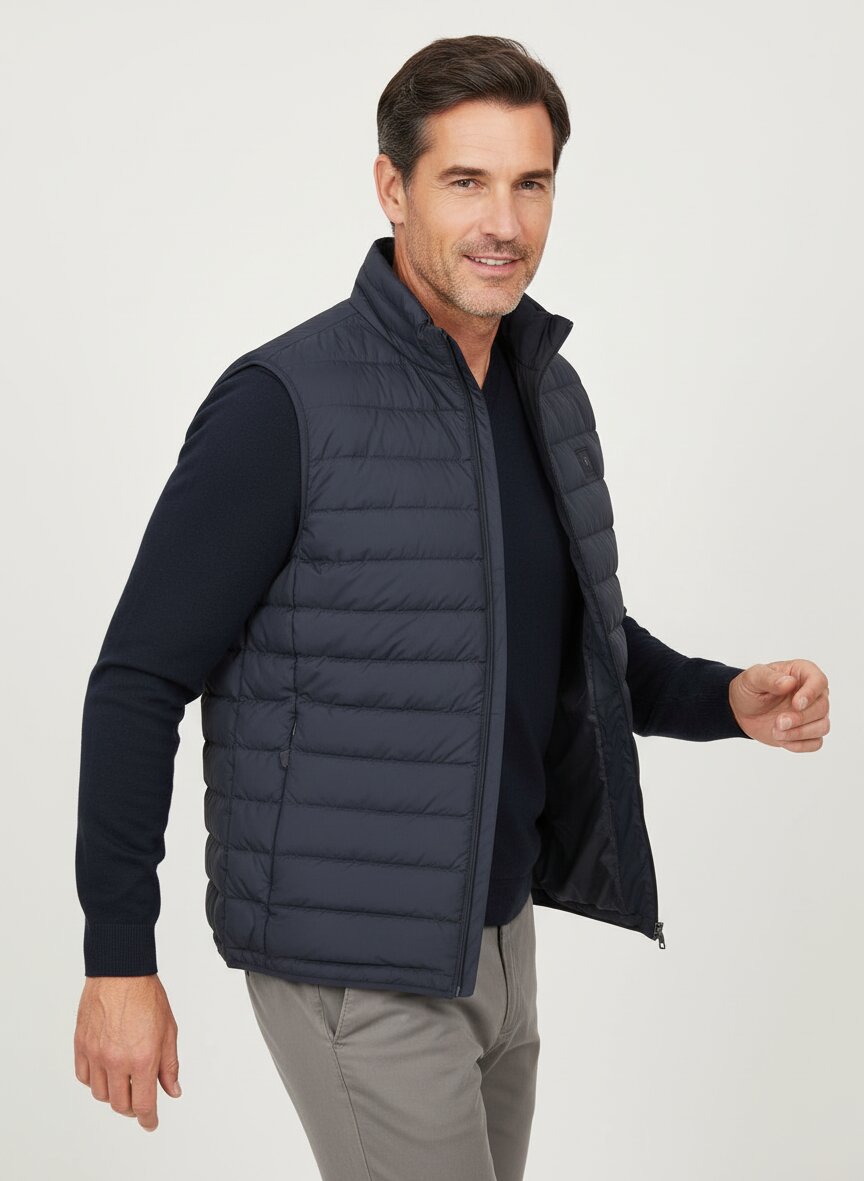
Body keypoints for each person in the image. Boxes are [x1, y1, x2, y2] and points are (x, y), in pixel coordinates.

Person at [73, 33, 830, 1180]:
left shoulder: (543, 391)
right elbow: (138, 679)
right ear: (394, 187)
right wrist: (118, 956)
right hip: (355, 959)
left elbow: (566, 638)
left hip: (499, 937)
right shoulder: (286, 403)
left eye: (532, 183)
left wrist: (726, 698)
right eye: (466, 181)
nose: (504, 222)